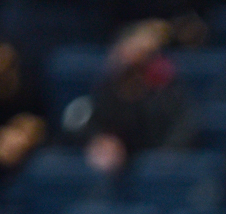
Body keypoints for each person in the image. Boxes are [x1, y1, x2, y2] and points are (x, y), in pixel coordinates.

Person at [81, 20, 194, 173]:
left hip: (160, 160)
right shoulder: (109, 87)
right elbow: (94, 123)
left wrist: (168, 153)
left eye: (143, 53)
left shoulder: (168, 89)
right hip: (121, 161)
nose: (134, 60)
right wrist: (102, 140)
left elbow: (183, 125)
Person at [0, 41, 46, 178]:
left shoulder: (30, 83)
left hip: (25, 146)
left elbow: (40, 121)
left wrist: (24, 135)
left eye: (2, 55)